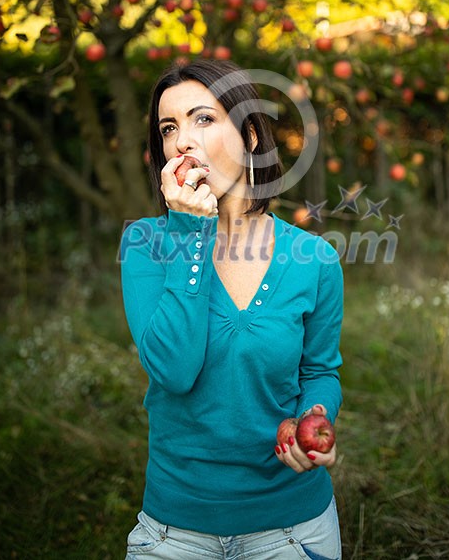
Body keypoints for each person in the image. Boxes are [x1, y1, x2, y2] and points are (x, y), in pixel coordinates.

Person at [120, 58, 344, 560]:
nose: (182, 141)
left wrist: (315, 417)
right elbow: (174, 371)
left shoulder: (314, 260)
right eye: (168, 128)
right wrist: (189, 230)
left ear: (249, 136)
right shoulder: (144, 245)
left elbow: (321, 371)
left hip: (293, 529)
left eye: (203, 119)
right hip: (175, 531)